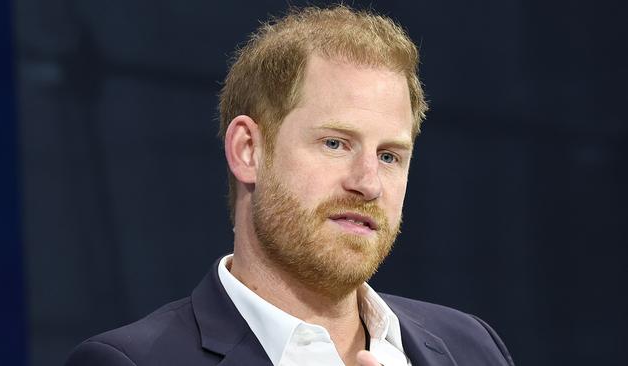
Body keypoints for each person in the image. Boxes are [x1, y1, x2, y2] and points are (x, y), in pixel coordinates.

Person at [66, 5, 514, 366]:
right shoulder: (131, 361)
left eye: (389, 156)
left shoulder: (471, 346)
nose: (368, 183)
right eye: (336, 143)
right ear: (247, 150)